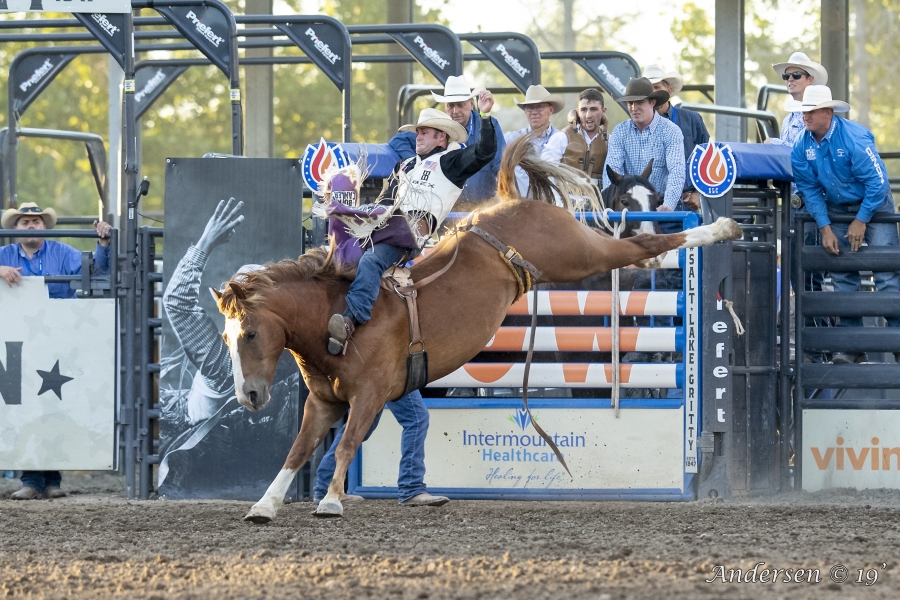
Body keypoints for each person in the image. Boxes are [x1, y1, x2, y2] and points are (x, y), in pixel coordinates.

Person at [309, 165, 450, 507]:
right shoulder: (353, 232)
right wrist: (383, 214)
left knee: (366, 422)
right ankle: (410, 488)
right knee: (413, 417)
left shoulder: (340, 237)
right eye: (345, 193)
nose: (347, 195)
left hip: (363, 349)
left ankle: (325, 486)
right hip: (375, 355)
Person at [326, 95, 497, 355]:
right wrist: (359, 215)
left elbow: (484, 152)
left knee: (372, 261)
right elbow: (384, 201)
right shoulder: (405, 165)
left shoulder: (451, 162)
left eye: (424, 132)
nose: (418, 136)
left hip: (410, 233)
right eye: (417, 132)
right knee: (336, 253)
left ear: (442, 138)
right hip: (385, 226)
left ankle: (350, 320)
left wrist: (484, 117)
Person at [159, 198, 301, 496]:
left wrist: (205, 245)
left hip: (245, 444)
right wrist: (203, 245)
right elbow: (177, 303)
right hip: (208, 442)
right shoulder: (227, 363)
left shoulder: (283, 347)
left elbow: (177, 303)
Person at [0, 202, 111, 500]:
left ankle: (51, 479)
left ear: (44, 227)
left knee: (54, 407)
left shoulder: (63, 253)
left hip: (57, 342)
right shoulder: (4, 256)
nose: (31, 226)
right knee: (26, 408)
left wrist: (103, 242)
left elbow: (98, 271)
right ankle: (33, 479)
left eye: (36, 221)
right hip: (18, 342)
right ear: (15, 228)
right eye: (25, 222)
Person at [790, 85, 900, 364]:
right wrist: (825, 227)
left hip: (873, 205)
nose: (805, 116)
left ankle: (896, 341)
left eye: (811, 111)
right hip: (837, 207)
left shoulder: (854, 138)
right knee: (841, 272)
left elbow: (877, 184)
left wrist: (861, 219)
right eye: (805, 111)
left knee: (885, 271)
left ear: (827, 112)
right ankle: (851, 344)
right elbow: (809, 188)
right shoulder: (802, 146)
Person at [388, 75, 506, 205]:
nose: (455, 111)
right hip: (446, 207)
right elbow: (398, 140)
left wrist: (505, 200)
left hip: (483, 207)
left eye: (460, 105)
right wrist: (420, 165)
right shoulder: (438, 127)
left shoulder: (489, 125)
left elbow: (501, 167)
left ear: (471, 103)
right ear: (445, 107)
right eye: (451, 105)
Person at [602, 77, 686, 212]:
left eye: (639, 102)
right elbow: (612, 171)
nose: (634, 108)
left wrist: (668, 205)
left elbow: (676, 171)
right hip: (629, 208)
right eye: (630, 103)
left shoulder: (671, 131)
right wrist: (609, 205)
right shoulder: (620, 131)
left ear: (652, 102)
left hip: (660, 204)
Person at [643, 64, 710, 231]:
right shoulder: (636, 124)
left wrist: (700, 195)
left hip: (686, 206)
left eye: (657, 88)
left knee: (688, 255)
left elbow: (708, 160)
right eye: (648, 90)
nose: (653, 94)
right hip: (650, 207)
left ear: (669, 91)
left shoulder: (692, 120)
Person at [505, 85, 565, 196]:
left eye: (539, 107)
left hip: (553, 207)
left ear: (550, 110)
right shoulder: (512, 139)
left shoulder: (562, 139)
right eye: (530, 107)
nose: (534, 112)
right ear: (525, 111)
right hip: (522, 206)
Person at [541, 88, 608, 184]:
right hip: (566, 196)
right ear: (577, 112)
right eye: (583, 110)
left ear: (603, 111)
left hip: (599, 197)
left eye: (593, 109)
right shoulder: (562, 137)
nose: (588, 115)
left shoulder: (610, 140)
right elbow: (546, 173)